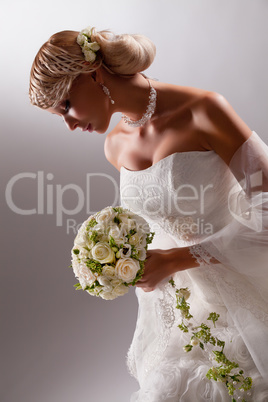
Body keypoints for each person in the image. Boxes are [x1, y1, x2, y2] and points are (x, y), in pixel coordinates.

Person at [29, 26, 268, 401]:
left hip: (249, 290)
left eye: (66, 105)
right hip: (186, 315)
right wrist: (123, 264)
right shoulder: (114, 146)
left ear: (93, 75)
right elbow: (157, 230)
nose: (69, 123)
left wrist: (176, 259)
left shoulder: (205, 110)